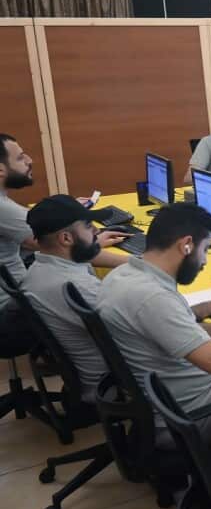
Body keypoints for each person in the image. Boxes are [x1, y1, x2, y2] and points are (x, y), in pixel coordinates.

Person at [22, 195, 211, 403]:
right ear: (65, 238)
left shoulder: (41, 270)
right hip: (155, 397)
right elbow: (153, 317)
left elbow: (154, 320)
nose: (96, 234)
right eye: (89, 227)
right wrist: (210, 308)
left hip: (138, 385)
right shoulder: (76, 286)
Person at [98, 203, 211, 423]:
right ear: (186, 245)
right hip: (196, 415)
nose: (204, 261)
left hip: (177, 399)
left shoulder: (122, 275)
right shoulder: (152, 297)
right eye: (205, 250)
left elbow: (172, 330)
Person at [1, 135, 128, 356]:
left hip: (23, 298)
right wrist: (144, 263)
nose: (30, 160)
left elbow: (53, 240)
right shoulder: (2, 208)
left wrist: (69, 214)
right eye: (21, 157)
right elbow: (56, 247)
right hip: (12, 317)